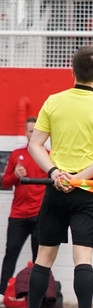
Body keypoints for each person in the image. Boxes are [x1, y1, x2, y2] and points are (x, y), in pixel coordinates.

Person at [23, 46, 93, 308]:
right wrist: (78, 178)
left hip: (56, 188)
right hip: (87, 190)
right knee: (83, 257)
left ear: (72, 70)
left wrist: (55, 173)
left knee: (44, 256)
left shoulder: (54, 101)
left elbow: (35, 144)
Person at [0, 118, 46, 296]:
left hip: (39, 214)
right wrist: (15, 176)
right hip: (18, 214)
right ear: (26, 133)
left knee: (38, 256)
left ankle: (35, 295)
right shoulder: (16, 154)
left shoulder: (48, 155)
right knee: (11, 251)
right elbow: (5, 182)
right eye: (30, 131)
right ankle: (3, 292)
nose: (33, 134)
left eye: (36, 131)